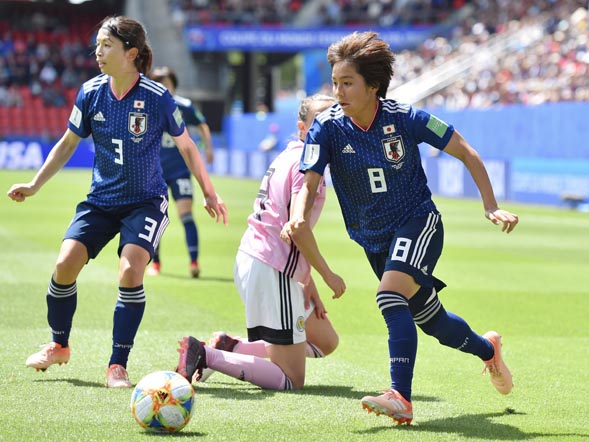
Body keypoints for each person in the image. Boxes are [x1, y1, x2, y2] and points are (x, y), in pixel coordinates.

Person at [281, 31, 518, 425]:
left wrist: (490, 205)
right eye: (335, 83)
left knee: (389, 296)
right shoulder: (326, 127)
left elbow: (465, 151)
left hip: (418, 221)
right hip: (374, 240)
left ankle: (400, 398)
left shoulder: (405, 118)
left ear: (373, 85)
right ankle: (488, 350)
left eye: (348, 83)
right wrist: (298, 215)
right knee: (433, 322)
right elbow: (307, 183)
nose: (338, 92)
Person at [6, 16, 228, 388]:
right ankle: (59, 345)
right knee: (64, 265)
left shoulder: (157, 97)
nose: (98, 52)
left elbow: (187, 145)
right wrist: (34, 184)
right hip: (101, 200)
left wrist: (208, 191)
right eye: (97, 44)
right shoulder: (90, 92)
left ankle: (117, 365)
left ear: (131, 53)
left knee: (130, 271)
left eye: (106, 45)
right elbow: (67, 144)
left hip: (145, 202)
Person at [176, 94, 346, 390]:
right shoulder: (306, 166)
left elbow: (283, 223)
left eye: (336, 120)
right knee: (292, 378)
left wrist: (307, 281)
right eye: (321, 120)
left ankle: (231, 346)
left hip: (260, 259)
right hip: (271, 268)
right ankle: (206, 355)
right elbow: (297, 229)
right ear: (303, 128)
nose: (330, 127)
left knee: (325, 340)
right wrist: (327, 275)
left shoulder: (291, 154)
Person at [147, 66, 215, 278]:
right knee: (154, 217)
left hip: (179, 170)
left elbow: (202, 124)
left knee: (186, 215)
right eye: (158, 83)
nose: (163, 87)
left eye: (166, 83)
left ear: (173, 85)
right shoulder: (147, 105)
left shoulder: (184, 105)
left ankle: (194, 262)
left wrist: (208, 148)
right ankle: (156, 263)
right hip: (154, 171)